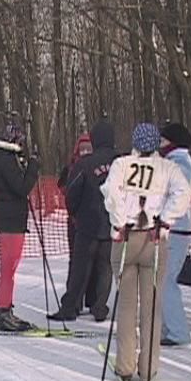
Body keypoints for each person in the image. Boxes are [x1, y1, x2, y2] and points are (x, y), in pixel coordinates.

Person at [101, 123, 191, 381]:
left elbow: (110, 194)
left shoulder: (121, 164)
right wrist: (165, 221)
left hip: (126, 236)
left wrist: (119, 223)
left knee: (127, 304)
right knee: (151, 306)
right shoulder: (167, 167)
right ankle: (149, 367)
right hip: (153, 237)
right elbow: (184, 193)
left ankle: (125, 363)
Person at [49, 119, 117, 323]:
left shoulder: (83, 164)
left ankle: (71, 306)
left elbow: (72, 194)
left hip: (87, 224)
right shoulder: (123, 162)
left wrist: (75, 214)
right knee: (105, 267)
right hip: (114, 223)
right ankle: (99, 306)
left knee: (81, 266)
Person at [0, 123, 39, 331]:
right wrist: (32, 167)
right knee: (8, 268)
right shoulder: (7, 161)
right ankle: (3, 312)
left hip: (7, 217)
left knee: (7, 268)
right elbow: (22, 187)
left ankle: (4, 308)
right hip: (11, 220)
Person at [158, 122, 191, 346]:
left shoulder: (179, 162)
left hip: (175, 228)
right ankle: (168, 327)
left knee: (165, 281)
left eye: (163, 141)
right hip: (173, 228)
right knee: (161, 279)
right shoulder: (174, 162)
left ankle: (177, 331)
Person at [58, 133, 97, 314]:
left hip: (92, 220)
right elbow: (63, 187)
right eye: (82, 149)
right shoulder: (71, 167)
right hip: (75, 221)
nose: (85, 152)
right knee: (76, 261)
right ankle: (75, 300)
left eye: (88, 148)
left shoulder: (95, 165)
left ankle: (92, 298)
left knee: (95, 262)